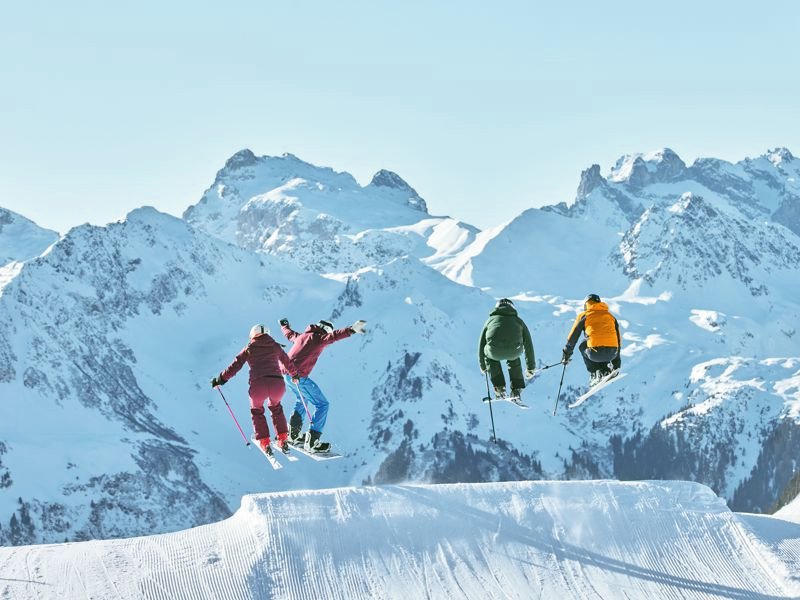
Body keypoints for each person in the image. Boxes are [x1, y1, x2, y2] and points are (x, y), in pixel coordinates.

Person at [210, 324, 300, 456]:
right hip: (277, 384)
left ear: (253, 334)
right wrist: (295, 375)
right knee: (276, 407)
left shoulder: (249, 348)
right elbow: (287, 361)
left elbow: (235, 365)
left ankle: (265, 442)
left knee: (257, 411)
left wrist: (220, 380)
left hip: (258, 386)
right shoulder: (275, 346)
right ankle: (283, 439)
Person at [280, 317, 366, 452]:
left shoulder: (302, 336)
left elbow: (289, 334)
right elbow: (334, 336)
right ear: (325, 330)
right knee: (322, 404)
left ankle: (293, 435)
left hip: (286, 374)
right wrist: (351, 330)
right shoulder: (319, 339)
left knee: (302, 399)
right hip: (298, 376)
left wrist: (284, 326)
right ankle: (312, 443)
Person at [478, 298, 535, 400]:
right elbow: (528, 345)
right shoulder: (519, 321)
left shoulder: (490, 321)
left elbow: (481, 344)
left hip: (494, 351)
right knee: (514, 358)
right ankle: (516, 390)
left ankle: (500, 388)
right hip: (514, 351)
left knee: (489, 356)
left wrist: (483, 366)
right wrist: (531, 368)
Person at [562, 294, 622, 385]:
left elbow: (573, 337)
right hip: (612, 353)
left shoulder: (584, 316)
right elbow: (618, 340)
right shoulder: (611, 317)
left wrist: (566, 354)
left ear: (586, 304)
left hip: (594, 354)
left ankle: (595, 373)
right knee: (604, 344)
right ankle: (605, 371)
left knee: (583, 345)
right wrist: (616, 363)